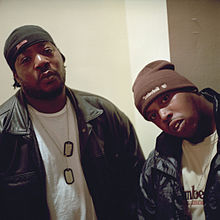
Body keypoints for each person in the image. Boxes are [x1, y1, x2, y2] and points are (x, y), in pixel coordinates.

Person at [0, 24, 145, 220]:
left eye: (47, 51)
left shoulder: (104, 115)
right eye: (26, 59)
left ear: (61, 57)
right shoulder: (4, 130)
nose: (41, 61)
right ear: (16, 76)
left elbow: (138, 186)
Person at [132, 60, 220, 220]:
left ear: (189, 89)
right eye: (153, 115)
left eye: (165, 98)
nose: (163, 115)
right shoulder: (156, 166)